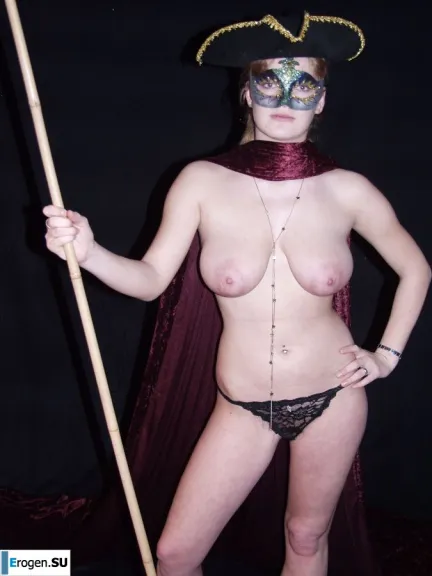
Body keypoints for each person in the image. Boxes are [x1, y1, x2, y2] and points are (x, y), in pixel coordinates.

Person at [43, 12, 431, 576]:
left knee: (305, 537)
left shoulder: (348, 190)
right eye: (270, 82)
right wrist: (88, 252)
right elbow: (151, 279)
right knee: (175, 555)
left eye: (304, 86)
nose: (286, 99)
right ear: (247, 91)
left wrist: (386, 356)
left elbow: (416, 269)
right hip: (244, 406)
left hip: (334, 396)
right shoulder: (201, 182)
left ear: (322, 100)